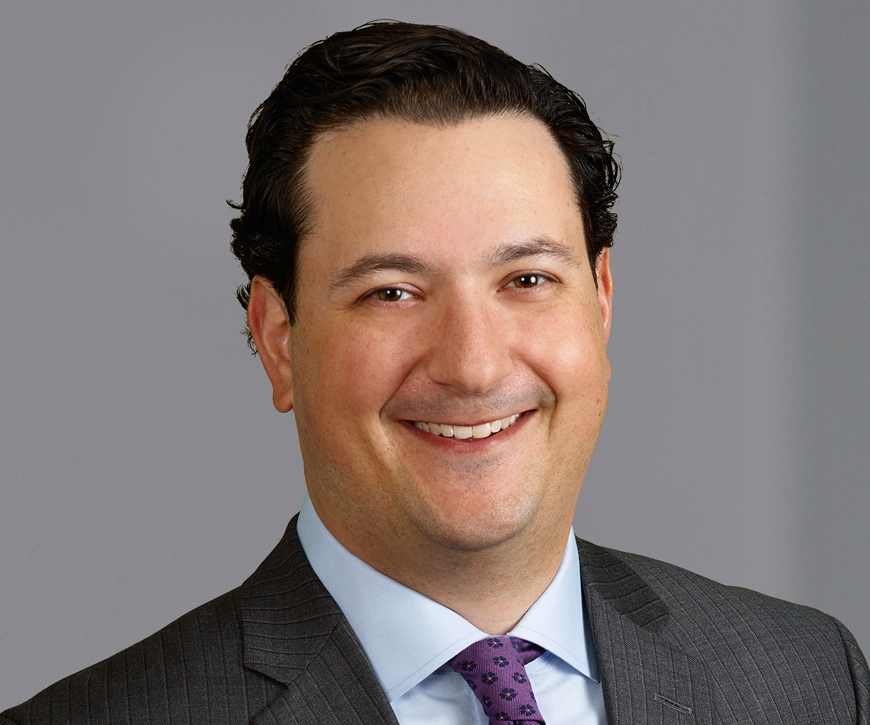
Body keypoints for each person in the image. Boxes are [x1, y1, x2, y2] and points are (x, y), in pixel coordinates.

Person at [3, 20, 867, 725]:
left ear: (601, 303)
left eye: (527, 280)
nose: (474, 364)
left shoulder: (809, 678)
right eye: (392, 291)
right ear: (278, 337)